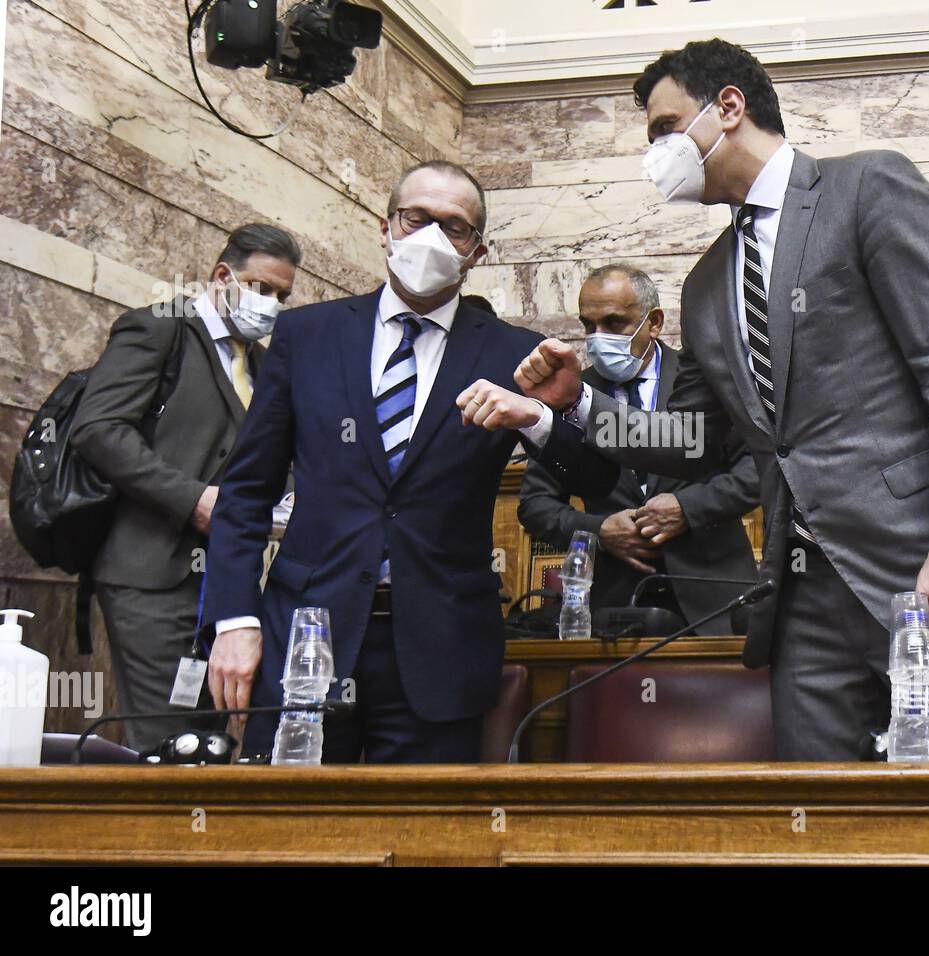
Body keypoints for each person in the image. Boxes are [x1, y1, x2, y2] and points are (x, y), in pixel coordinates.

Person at [461, 39, 929, 761]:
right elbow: (697, 442)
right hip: (804, 600)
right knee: (821, 820)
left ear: (729, 108)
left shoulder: (867, 187)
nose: (656, 153)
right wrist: (566, 409)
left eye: (664, 128)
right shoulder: (707, 286)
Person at [200, 160, 617, 763]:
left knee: (428, 844)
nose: (429, 236)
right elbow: (245, 493)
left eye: (453, 226)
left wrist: (546, 415)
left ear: (477, 251)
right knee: (289, 835)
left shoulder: (514, 353)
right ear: (385, 227)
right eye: (414, 217)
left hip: (441, 647)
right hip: (307, 638)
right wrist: (234, 619)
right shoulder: (306, 337)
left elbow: (598, 481)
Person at [70, 223, 300, 752]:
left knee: (209, 739)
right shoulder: (159, 330)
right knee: (167, 743)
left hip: (222, 587)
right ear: (223, 276)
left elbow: (263, 458)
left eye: (282, 297)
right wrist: (192, 500)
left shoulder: (264, 365)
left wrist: (289, 497)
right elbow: (98, 429)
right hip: (149, 573)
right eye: (261, 288)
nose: (270, 305)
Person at [518, 264, 759, 632]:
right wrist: (601, 532)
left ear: (654, 322)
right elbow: (535, 506)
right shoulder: (569, 397)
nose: (597, 338)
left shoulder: (706, 379)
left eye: (614, 324)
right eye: (588, 326)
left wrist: (687, 508)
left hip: (716, 596)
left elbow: (755, 470)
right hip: (616, 605)